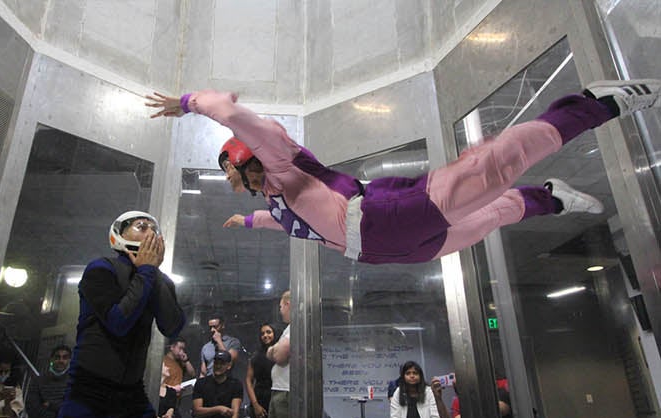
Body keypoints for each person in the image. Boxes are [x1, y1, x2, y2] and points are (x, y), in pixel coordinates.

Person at [145, 79, 660, 265]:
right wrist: (250, 222)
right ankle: (550, 197)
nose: (229, 181)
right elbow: (290, 225)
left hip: (382, 220)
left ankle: (594, 104)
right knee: (489, 217)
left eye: (228, 169)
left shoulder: (279, 160)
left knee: (492, 169)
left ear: (243, 157)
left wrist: (189, 101)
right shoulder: (275, 200)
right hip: (386, 250)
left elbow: (232, 114)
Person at [53, 211, 185, 418]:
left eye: (152, 228)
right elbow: (118, 321)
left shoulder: (156, 279)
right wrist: (147, 271)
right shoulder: (101, 269)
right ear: (120, 235)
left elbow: (172, 325)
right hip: (88, 387)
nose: (149, 231)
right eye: (140, 225)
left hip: (130, 391)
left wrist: (154, 274)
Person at [242, 322, 278, 418]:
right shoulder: (255, 356)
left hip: (277, 399)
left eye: (268, 332)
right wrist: (255, 405)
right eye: (262, 333)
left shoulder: (281, 353)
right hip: (259, 401)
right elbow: (248, 381)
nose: (265, 335)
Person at [265, 292, 295, 418]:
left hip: (286, 394)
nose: (281, 311)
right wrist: (274, 349)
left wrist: (272, 350)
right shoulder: (288, 329)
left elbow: (279, 355)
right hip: (279, 392)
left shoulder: (295, 327)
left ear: (289, 304)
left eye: (281, 307)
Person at [157, 339, 194, 418]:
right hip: (162, 400)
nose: (182, 351)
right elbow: (156, 381)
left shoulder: (180, 363)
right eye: (180, 348)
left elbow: (192, 374)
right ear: (172, 347)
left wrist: (186, 360)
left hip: (174, 402)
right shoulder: (162, 360)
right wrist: (172, 388)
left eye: (183, 349)